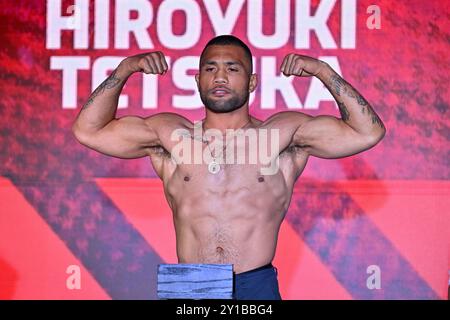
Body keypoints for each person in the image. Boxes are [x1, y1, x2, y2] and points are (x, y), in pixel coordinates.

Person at [72, 35, 385, 300]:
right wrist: (125, 69)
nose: (219, 77)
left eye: (232, 68)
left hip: (255, 283)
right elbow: (89, 131)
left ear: (251, 82)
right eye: (210, 68)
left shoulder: (282, 135)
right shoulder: (170, 135)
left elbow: (367, 132)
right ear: (197, 80)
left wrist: (323, 71)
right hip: (191, 283)